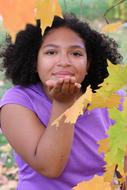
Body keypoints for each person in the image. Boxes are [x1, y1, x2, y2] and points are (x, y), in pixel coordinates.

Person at [0, 13, 123, 190]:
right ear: (34, 62)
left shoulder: (113, 99)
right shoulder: (17, 103)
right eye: (51, 52)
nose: (64, 61)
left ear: (88, 64)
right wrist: (64, 104)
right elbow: (50, 167)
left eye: (76, 53)